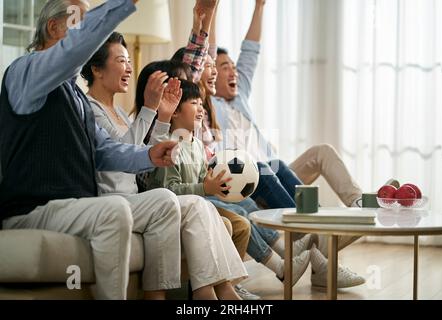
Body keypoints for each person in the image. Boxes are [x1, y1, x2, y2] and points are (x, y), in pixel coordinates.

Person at [0, 0, 246, 300]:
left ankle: (156, 297)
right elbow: (70, 51)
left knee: (164, 202)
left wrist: (147, 156)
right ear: (53, 27)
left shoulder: (74, 95)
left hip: (74, 207)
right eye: (82, 22)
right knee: (114, 209)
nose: (90, 32)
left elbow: (103, 149)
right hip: (33, 209)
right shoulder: (24, 72)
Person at [197, 0, 366, 288]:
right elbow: (206, 57)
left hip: (276, 172)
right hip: (248, 181)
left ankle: (358, 203)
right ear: (210, 73)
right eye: (223, 67)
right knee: (265, 168)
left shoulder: (240, 97)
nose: (232, 71)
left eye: (233, 67)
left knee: (320, 152)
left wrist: (259, 7)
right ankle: (319, 249)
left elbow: (251, 52)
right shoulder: (208, 102)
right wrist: (210, 11)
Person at [81, 30, 249, 300]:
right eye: (121, 61)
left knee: (201, 205)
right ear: (97, 70)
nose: (129, 67)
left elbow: (148, 158)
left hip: (135, 199)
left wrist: (164, 116)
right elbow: (121, 156)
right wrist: (149, 109)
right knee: (195, 203)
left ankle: (219, 290)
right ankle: (208, 295)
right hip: (112, 200)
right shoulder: (90, 109)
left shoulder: (120, 112)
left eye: (128, 61)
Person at [140, 78, 314, 290]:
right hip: (180, 206)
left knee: (246, 203)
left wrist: (216, 183)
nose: (201, 109)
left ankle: (286, 253)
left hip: (200, 200)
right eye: (194, 103)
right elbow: (170, 191)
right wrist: (206, 187)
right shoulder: (170, 146)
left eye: (201, 104)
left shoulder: (195, 144)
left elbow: (202, 178)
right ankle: (278, 268)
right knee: (239, 216)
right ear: (175, 111)